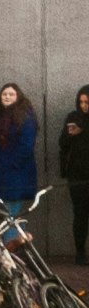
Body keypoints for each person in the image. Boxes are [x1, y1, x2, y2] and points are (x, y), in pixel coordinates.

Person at [0, 83, 43, 213]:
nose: (7, 97)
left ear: (18, 97)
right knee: (8, 215)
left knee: (12, 215)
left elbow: (26, 146)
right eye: (4, 94)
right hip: (1, 173)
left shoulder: (24, 117)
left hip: (16, 174)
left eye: (11, 94)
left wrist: (9, 163)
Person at [62, 87, 89, 267]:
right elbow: (62, 144)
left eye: (87, 102)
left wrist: (84, 131)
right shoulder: (73, 117)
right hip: (77, 175)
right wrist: (70, 135)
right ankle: (80, 252)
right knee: (80, 214)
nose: (84, 106)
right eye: (81, 102)